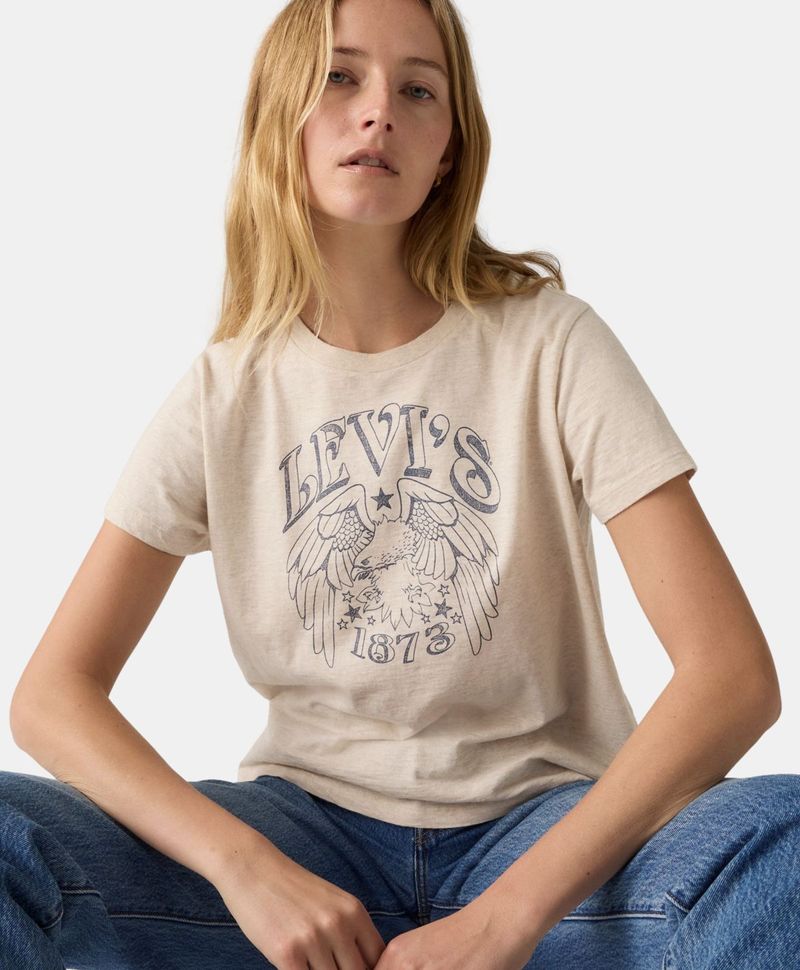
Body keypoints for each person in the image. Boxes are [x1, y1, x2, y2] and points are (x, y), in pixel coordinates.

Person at [2, 0, 797, 967]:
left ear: (449, 150)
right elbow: (51, 695)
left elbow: (731, 677)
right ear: (281, 118)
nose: (378, 109)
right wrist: (245, 867)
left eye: (419, 89)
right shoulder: (226, 392)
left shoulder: (551, 345)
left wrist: (506, 918)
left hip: (548, 845)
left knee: (785, 836)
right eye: (340, 77)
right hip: (305, 844)